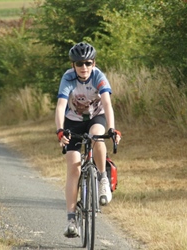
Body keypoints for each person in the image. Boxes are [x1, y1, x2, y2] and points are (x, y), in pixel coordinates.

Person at [55, 42, 121, 238]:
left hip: (96, 117)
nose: (84, 67)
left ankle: (102, 179)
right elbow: (60, 106)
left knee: (97, 137)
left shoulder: (98, 76)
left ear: (94, 63)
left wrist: (112, 128)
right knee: (73, 167)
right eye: (79, 64)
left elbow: (107, 103)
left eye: (88, 63)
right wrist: (59, 130)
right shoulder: (68, 78)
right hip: (73, 121)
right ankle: (71, 219)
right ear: (73, 65)